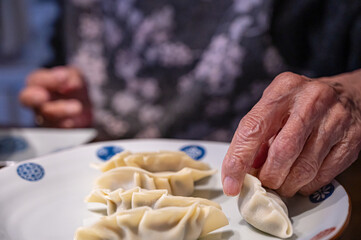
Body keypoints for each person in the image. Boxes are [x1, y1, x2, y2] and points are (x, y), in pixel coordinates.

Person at [19, 0, 361, 197]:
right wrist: (63, 102)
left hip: (256, 181)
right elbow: (64, 57)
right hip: (93, 173)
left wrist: (348, 95)